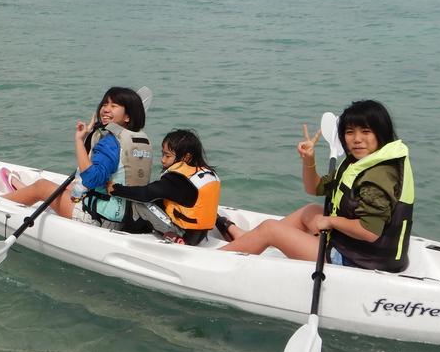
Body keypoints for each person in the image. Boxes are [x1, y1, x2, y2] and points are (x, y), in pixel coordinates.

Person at [218, 100, 414, 272]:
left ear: (381, 133)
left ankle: (212, 260)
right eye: (349, 132)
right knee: (310, 211)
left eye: (366, 131)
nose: (357, 139)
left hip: (360, 261)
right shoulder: (361, 161)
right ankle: (249, 239)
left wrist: (330, 222)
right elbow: (315, 188)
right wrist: (308, 160)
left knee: (271, 229)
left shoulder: (378, 174)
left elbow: (369, 231)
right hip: (359, 249)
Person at [0, 87, 153, 229]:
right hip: (125, 218)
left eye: (114, 106)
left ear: (127, 117)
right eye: (105, 104)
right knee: (68, 187)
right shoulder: (139, 141)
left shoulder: (110, 143)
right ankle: (20, 189)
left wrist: (79, 140)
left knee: (42, 187)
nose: (105, 109)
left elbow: (91, 179)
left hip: (97, 219)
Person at [109, 129, 220, 245]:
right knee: (159, 199)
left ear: (186, 157)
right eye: (162, 154)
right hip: (201, 234)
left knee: (139, 203)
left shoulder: (177, 177)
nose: (162, 160)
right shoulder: (205, 174)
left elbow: (145, 194)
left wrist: (116, 189)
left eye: (167, 156)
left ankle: (134, 235)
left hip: (184, 235)